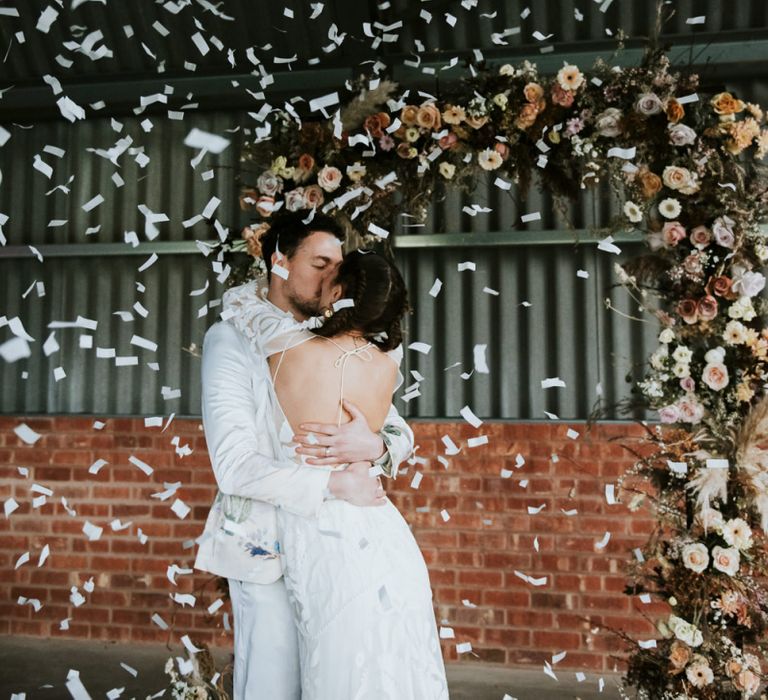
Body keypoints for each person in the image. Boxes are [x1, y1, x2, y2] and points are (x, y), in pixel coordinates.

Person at [194, 211, 415, 700]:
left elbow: (395, 426)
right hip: (265, 549)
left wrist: (376, 446)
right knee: (274, 686)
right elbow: (233, 465)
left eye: (337, 265)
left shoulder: (333, 337)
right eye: (319, 262)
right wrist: (333, 484)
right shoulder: (232, 338)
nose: (332, 276)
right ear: (279, 261)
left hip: (333, 547)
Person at [265, 249, 448, 699]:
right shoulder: (387, 365)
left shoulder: (280, 348)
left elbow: (250, 309)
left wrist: (278, 269)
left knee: (335, 661)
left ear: (340, 292)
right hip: (383, 528)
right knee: (392, 663)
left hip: (319, 525)